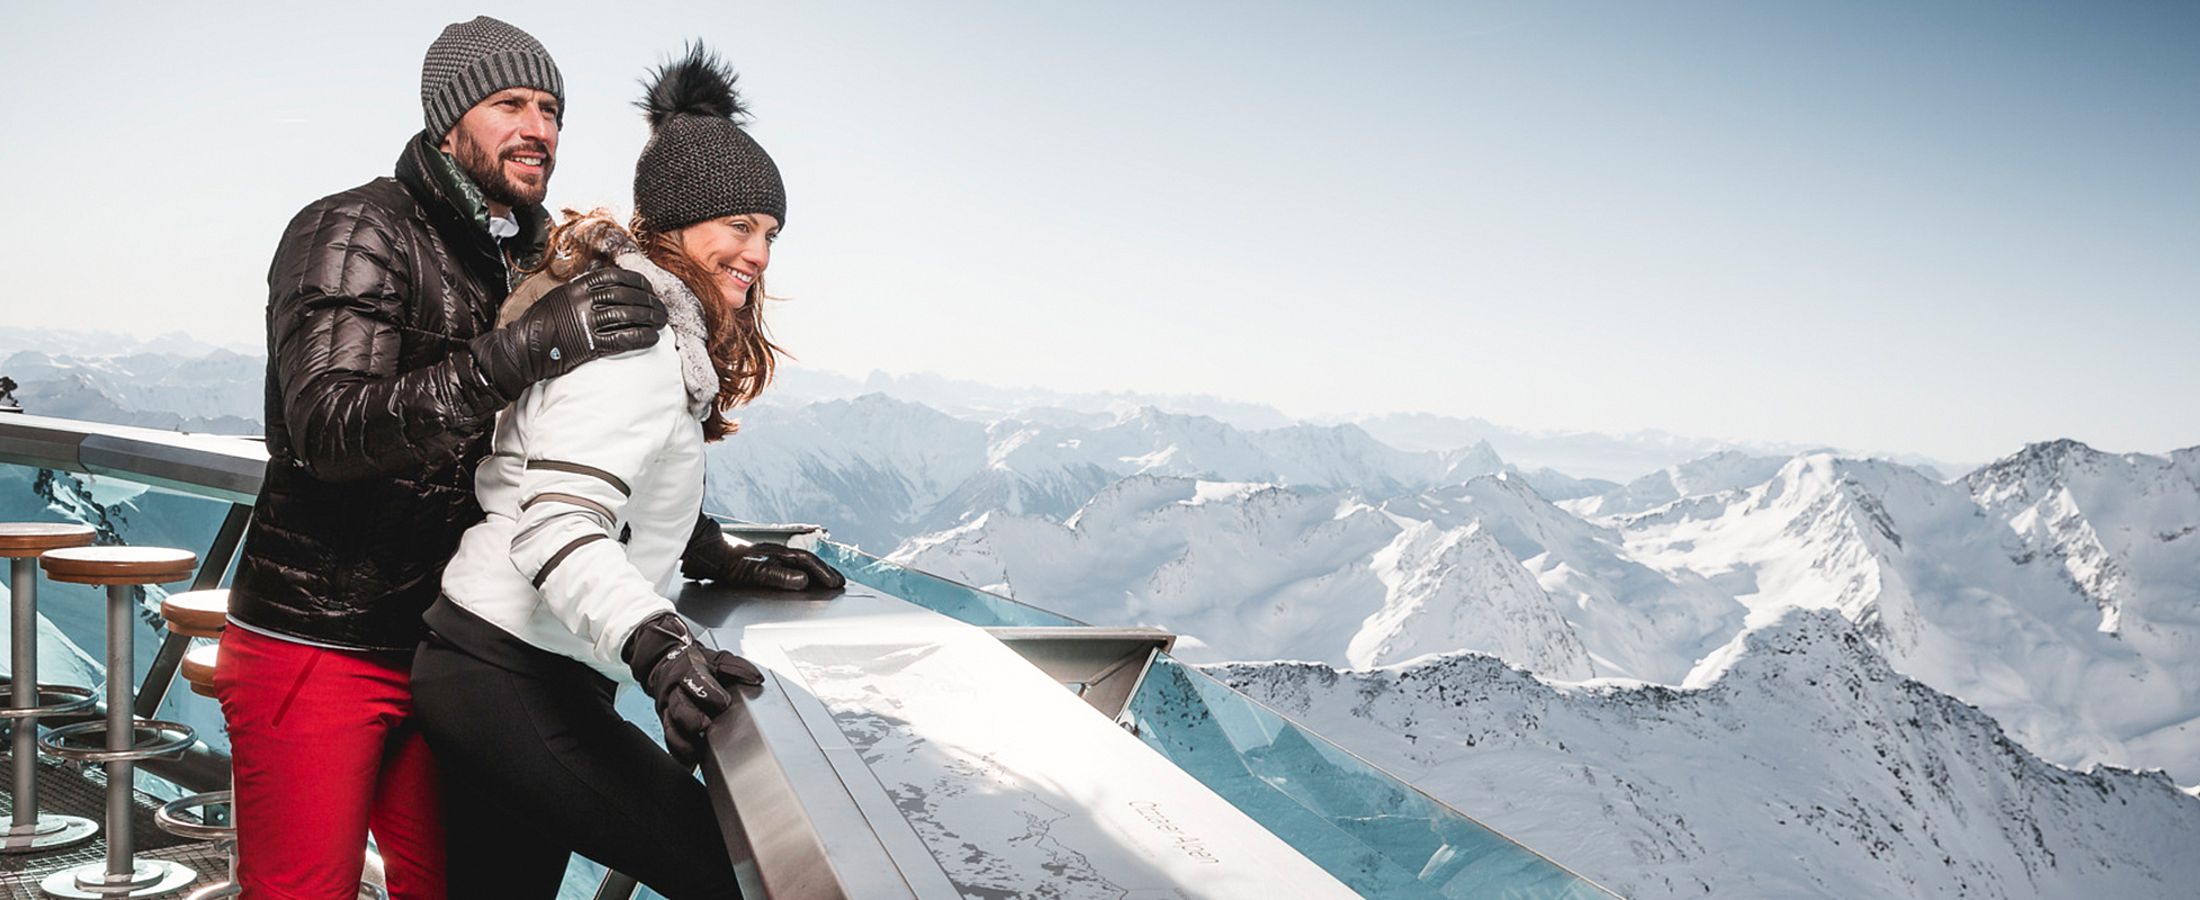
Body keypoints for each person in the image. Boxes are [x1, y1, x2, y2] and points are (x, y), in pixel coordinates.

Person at [217, 17, 834, 898]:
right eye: (510, 102)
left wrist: (702, 548)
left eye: (551, 108)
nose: (538, 127)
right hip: (324, 637)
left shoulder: (530, 259)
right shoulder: (353, 229)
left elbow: (562, 452)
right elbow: (329, 428)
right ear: (449, 117)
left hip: (448, 625)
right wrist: (523, 349)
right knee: (303, 889)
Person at [410, 44, 841, 898]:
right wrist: (661, 648)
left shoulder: (646, 320)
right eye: (739, 227)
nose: (758, 254)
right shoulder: (636, 340)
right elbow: (558, 522)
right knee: (740, 877)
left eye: (769, 234)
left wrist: (711, 551)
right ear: (678, 223)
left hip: (501, 662)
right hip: (511, 673)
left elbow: (607, 482)